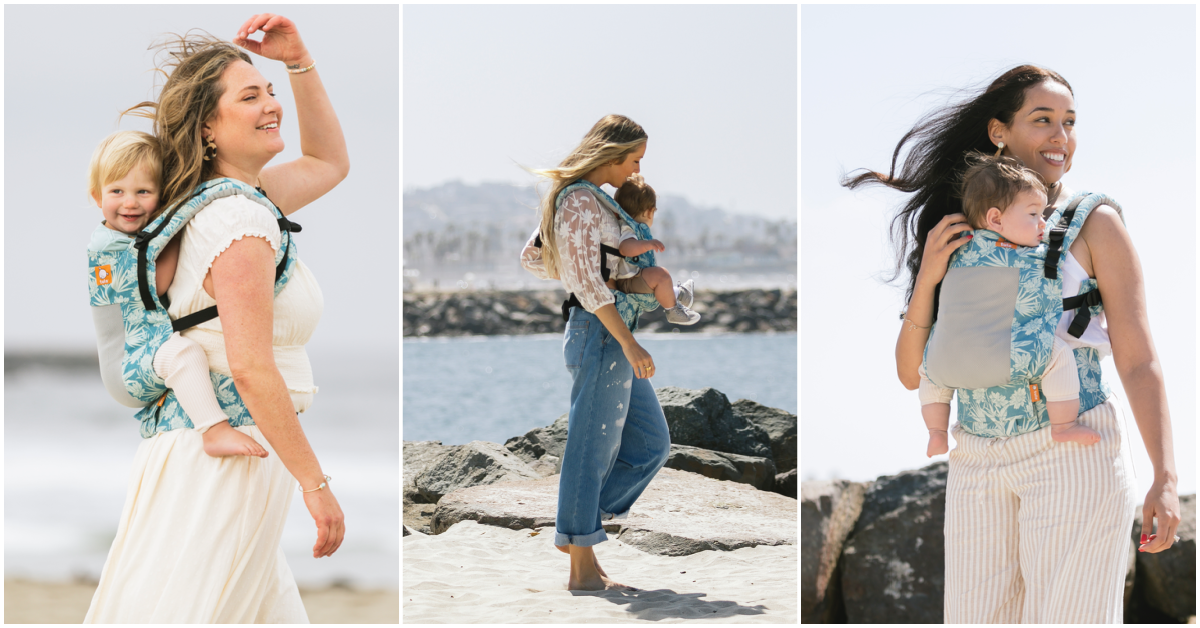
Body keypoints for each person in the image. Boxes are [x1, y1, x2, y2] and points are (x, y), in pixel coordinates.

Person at [845, 65, 1179, 623]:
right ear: (999, 131)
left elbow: (1139, 359)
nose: (1061, 137)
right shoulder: (954, 231)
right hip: (975, 455)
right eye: (1043, 120)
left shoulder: (1093, 222)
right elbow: (911, 374)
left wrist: (1165, 479)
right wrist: (929, 276)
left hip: (1073, 451)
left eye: (1069, 123)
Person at [85, 14, 349, 623]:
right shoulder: (239, 220)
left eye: (271, 92)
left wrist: (298, 62)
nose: (270, 105)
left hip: (212, 452)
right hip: (225, 459)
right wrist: (316, 485)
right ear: (208, 126)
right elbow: (252, 368)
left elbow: (329, 162)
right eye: (250, 96)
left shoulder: (227, 201)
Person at [520, 114, 671, 592]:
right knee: (590, 447)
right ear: (612, 154)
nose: (635, 170)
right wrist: (628, 338)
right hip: (603, 334)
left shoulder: (595, 202)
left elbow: (541, 258)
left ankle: (579, 528)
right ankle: (582, 567)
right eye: (633, 160)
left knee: (651, 444)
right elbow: (578, 281)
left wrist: (612, 275)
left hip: (608, 327)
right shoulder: (581, 201)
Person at [86, 130, 269, 459]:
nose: (130, 202)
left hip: (146, 351)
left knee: (198, 355)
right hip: (126, 367)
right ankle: (214, 431)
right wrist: (192, 209)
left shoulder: (140, 235)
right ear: (97, 196)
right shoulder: (105, 246)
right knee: (183, 355)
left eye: (143, 191)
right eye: (117, 191)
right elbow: (152, 285)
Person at [918, 154, 1099, 458]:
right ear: (996, 219)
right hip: (1008, 355)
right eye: (1033, 215)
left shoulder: (954, 247)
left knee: (929, 374)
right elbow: (1068, 231)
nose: (1042, 223)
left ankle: (936, 433)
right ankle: (1064, 425)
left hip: (949, 356)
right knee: (1058, 356)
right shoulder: (1031, 254)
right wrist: (1096, 202)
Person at [611, 173, 700, 324]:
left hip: (636, 277)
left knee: (660, 279)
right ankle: (673, 310)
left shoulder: (633, 227)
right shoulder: (628, 228)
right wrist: (647, 244)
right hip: (630, 280)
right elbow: (625, 248)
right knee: (661, 275)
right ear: (649, 212)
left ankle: (679, 294)